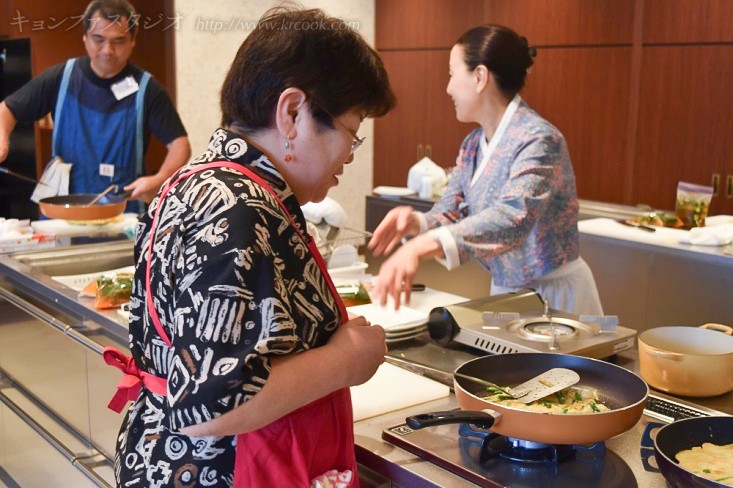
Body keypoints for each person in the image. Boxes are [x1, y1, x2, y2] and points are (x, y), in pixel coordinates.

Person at [103, 6, 394, 487]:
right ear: (293, 111)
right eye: (352, 131)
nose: (349, 152)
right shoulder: (239, 207)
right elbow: (210, 405)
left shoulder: (205, 181)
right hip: (218, 471)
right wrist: (346, 359)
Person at [369, 24, 603, 316]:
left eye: (453, 74)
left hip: (555, 299)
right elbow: (451, 209)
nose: (448, 87)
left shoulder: (539, 139)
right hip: (507, 294)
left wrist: (420, 247)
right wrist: (418, 223)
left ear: (479, 77)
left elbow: (512, 217)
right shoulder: (472, 145)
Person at [0, 0, 190, 205]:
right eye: (98, 39)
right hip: (64, 210)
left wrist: (159, 180)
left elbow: (180, 145)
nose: (107, 50)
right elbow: (7, 109)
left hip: (123, 214)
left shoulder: (147, 89)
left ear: (133, 41)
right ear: (85, 37)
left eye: (118, 41)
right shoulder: (61, 78)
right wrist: (2, 139)